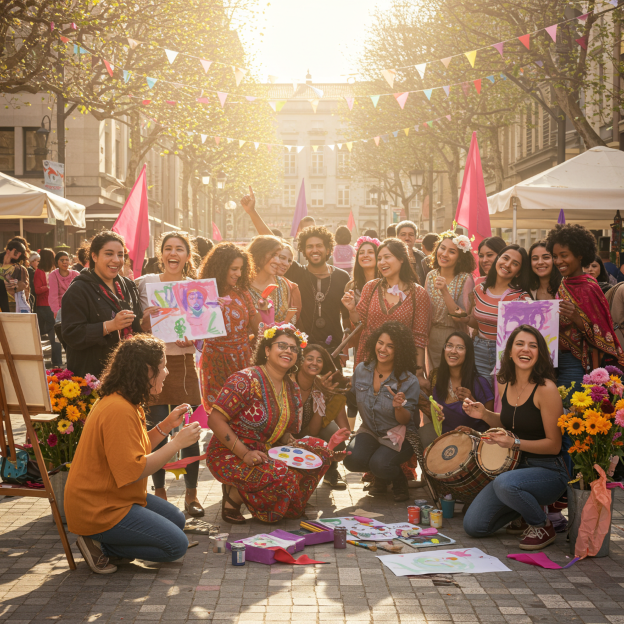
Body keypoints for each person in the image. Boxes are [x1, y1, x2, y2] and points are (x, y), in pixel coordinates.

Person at [65, 334, 202, 574]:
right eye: (163, 367)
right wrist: (177, 443)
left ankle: (112, 542)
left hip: (114, 497)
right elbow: (133, 471)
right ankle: (101, 545)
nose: (167, 372)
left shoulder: (125, 400)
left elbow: (137, 449)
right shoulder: (118, 409)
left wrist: (167, 426)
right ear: (147, 370)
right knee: (175, 547)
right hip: (100, 508)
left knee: (177, 520)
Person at [206, 324, 350, 523]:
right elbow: (214, 419)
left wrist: (306, 447)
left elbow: (283, 432)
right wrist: (245, 454)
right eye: (282, 345)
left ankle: (286, 498)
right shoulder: (245, 379)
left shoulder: (291, 388)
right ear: (267, 350)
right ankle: (234, 497)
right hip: (230, 453)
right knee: (282, 475)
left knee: (320, 451)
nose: (288, 351)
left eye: (293, 348)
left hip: (266, 451)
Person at [462, 325, 568, 550]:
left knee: (503, 483)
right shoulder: (505, 381)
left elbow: (554, 445)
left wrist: (515, 443)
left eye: (533, 345)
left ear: (539, 353)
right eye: (520, 344)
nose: (526, 349)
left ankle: (542, 525)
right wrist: (484, 414)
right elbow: (510, 423)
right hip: (515, 470)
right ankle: (522, 511)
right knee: (474, 526)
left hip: (549, 471)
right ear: (509, 351)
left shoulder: (546, 388)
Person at [136, 232, 204, 517]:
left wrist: (195, 339)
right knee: (157, 431)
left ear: (188, 255)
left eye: (179, 249)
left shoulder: (196, 288)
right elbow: (136, 329)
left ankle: (192, 495)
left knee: (190, 433)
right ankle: (159, 493)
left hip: (185, 366)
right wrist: (144, 321)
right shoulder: (144, 284)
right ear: (160, 253)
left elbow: (203, 334)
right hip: (153, 365)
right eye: (168, 248)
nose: (173, 253)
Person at [240, 188, 350, 354]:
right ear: (303, 251)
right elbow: (273, 242)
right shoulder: (297, 273)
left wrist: (344, 344)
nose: (315, 250)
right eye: (309, 246)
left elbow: (347, 316)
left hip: (333, 349)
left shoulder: (342, 277)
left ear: (328, 249)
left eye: (319, 246)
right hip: (301, 349)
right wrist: (252, 212)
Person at [344, 321, 421, 502]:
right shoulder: (361, 370)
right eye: (380, 342)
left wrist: (398, 406)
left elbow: (405, 420)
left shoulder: (408, 381)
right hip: (370, 430)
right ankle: (380, 473)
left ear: (399, 350)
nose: (383, 349)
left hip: (399, 435)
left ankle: (397, 480)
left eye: (390, 346)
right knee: (350, 460)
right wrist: (347, 429)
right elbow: (352, 401)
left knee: (380, 464)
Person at [342, 239, 430, 391]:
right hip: (369, 359)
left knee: (400, 409)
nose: (382, 262)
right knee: (369, 409)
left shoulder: (419, 293)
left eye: (387, 257)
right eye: (380, 258)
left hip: (401, 363)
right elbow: (359, 323)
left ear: (402, 259)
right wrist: (351, 310)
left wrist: (419, 371)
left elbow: (419, 337)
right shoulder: (371, 287)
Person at [545, 224, 624, 387]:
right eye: (555, 256)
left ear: (580, 255)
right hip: (555, 361)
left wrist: (576, 318)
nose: (558, 261)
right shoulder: (564, 283)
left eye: (564, 255)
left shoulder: (589, 288)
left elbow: (605, 334)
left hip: (578, 365)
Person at [62, 231, 144, 378]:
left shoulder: (128, 285)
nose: (116, 260)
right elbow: (72, 334)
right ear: (94, 256)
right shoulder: (79, 289)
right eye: (109, 254)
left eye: (120, 255)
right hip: (94, 376)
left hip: (128, 373)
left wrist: (146, 321)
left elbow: (137, 329)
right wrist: (110, 326)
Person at [197, 242, 261, 410]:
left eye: (241, 269)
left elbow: (259, 328)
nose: (239, 274)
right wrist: (209, 310)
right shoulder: (201, 292)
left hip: (243, 360)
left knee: (245, 410)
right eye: (234, 269)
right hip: (214, 361)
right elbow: (195, 329)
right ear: (220, 267)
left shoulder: (242, 292)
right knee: (219, 411)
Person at [470, 245, 531, 385]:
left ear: (518, 273)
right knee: (482, 394)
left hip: (506, 354)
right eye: (505, 258)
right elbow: (476, 321)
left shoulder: (522, 297)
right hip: (478, 350)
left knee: (502, 399)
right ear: (498, 260)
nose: (508, 264)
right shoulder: (479, 290)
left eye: (515, 264)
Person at [293, 344, 351, 489]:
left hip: (308, 431)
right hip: (286, 432)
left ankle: (330, 471)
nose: (314, 363)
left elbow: (314, 431)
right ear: (301, 361)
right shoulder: (289, 382)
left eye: (319, 360)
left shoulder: (322, 386)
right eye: (309, 358)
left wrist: (322, 397)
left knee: (335, 433)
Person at [425, 231, 476, 368]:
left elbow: (462, 316)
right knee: (433, 381)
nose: (444, 254)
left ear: (460, 257)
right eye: (442, 248)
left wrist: (444, 291)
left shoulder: (465, 278)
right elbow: (426, 312)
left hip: (455, 336)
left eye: (452, 251)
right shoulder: (431, 275)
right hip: (432, 337)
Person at [431, 331, 494, 434]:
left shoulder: (480, 384)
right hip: (446, 444)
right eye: (449, 346)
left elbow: (492, 426)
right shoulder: (439, 383)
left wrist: (473, 403)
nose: (453, 351)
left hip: (474, 445)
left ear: (468, 353)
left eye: (460, 347)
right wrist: (436, 416)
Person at [247, 235, 298, 324]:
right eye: (274, 255)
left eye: (279, 256)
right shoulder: (241, 286)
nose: (278, 262)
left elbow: (292, 320)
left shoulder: (283, 284)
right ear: (260, 254)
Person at [34, 249, 62, 367]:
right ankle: (56, 361)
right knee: (52, 333)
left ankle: (56, 361)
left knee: (53, 334)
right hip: (44, 306)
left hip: (53, 306)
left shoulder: (55, 272)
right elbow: (37, 290)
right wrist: (49, 286)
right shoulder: (39, 272)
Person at [344, 236, 380, 306]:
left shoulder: (387, 284)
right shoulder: (351, 286)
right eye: (361, 253)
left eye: (370, 252)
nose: (365, 255)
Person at [49, 251, 79, 323]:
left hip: (75, 309)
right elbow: (53, 296)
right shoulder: (53, 275)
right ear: (57, 262)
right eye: (62, 260)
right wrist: (57, 313)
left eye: (67, 260)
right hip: (61, 310)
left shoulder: (76, 274)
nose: (65, 262)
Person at [0, 240, 29, 312]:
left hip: (11, 303)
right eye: (17, 252)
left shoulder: (19, 267)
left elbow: (23, 286)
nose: (18, 255)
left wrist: (17, 285)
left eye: (20, 254)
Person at [396, 220, 426, 285]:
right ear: (397, 237)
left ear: (415, 237)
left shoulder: (421, 257)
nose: (407, 238)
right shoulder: (392, 255)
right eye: (403, 234)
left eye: (411, 234)